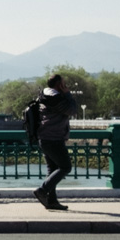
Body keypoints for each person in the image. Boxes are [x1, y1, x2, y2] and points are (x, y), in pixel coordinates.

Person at [32, 74, 79, 211]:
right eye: (64, 83)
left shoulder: (43, 96)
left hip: (44, 137)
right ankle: (42, 190)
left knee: (52, 169)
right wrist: (68, 94)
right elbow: (73, 111)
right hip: (54, 138)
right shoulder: (57, 99)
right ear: (59, 85)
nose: (66, 85)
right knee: (65, 167)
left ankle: (51, 201)